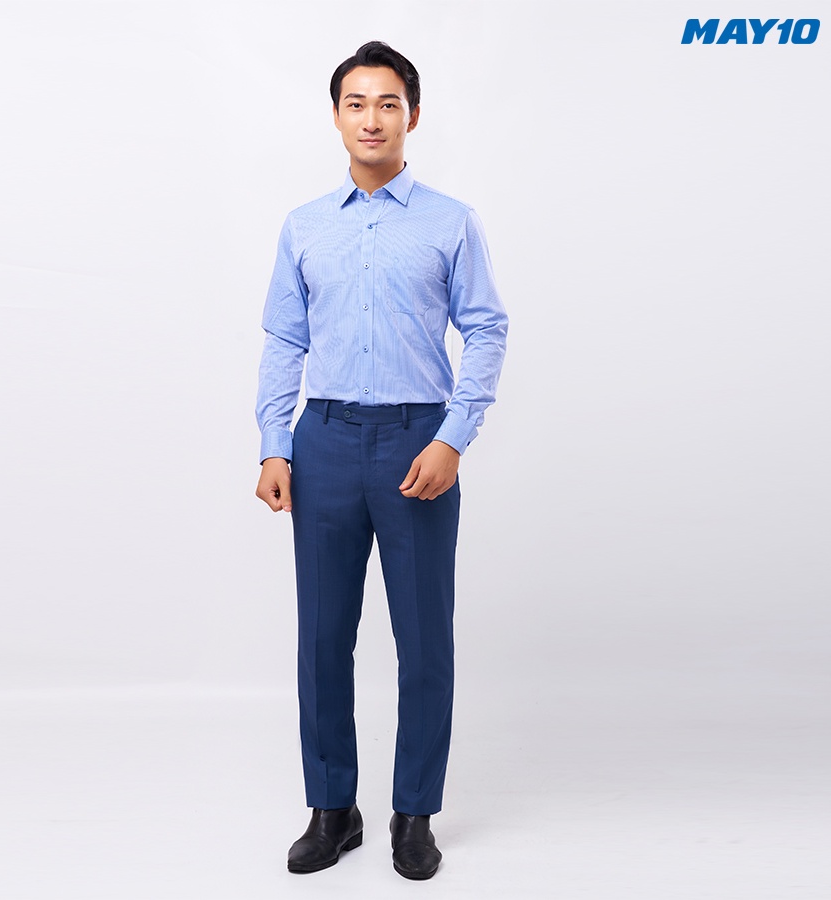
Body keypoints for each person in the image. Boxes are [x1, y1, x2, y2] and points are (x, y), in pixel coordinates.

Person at [254, 40, 508, 880]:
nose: (372, 118)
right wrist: (275, 444)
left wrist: (453, 437)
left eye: (388, 103)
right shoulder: (304, 226)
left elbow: (486, 328)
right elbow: (284, 339)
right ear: (336, 116)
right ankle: (333, 808)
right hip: (323, 441)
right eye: (356, 103)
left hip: (416, 442)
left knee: (423, 641)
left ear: (413, 116)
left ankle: (414, 813)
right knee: (322, 639)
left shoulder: (450, 221)